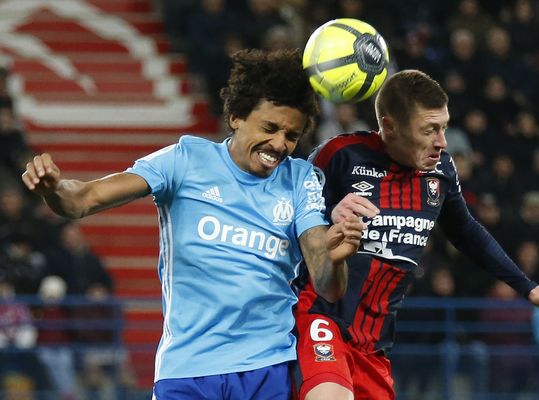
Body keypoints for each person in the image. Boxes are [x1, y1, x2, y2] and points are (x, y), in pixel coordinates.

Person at [21, 48, 364, 400]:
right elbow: (82, 200)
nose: (279, 144)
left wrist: (335, 259)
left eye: (291, 136)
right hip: (187, 372)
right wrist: (54, 189)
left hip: (268, 368)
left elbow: (328, 286)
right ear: (235, 117)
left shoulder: (301, 179)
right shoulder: (184, 160)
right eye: (270, 128)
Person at [293, 69, 539, 400]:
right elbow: (294, 224)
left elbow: (466, 231)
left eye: (444, 127)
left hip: (373, 342)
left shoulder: (441, 172)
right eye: (429, 130)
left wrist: (528, 287)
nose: (441, 141)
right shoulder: (340, 155)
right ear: (390, 126)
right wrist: (328, 219)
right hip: (321, 315)